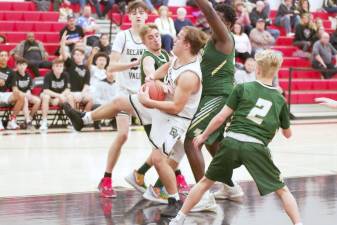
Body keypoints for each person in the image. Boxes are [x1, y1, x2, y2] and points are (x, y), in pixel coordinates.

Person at [63, 26, 208, 217]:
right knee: (119, 102)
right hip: (161, 106)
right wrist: (153, 77)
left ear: (187, 45)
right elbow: (167, 66)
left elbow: (177, 108)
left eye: (179, 37)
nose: (173, 39)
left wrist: (149, 101)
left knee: (158, 159)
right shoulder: (177, 57)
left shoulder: (190, 75)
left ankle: (173, 201)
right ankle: (84, 119)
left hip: (176, 119)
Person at [169, 49, 303, 225]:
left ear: (258, 69)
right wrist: (280, 126)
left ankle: (178, 219)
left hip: (232, 141)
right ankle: (298, 223)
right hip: (255, 146)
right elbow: (287, 134)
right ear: (276, 71)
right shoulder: (279, 99)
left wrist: (203, 136)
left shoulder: (242, 88)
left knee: (204, 183)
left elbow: (220, 118)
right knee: (283, 191)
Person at [184, 0, 244, 210]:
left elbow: (208, 10)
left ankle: (203, 197)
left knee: (192, 139)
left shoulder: (224, 38)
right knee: (212, 142)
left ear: (226, 23)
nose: (212, 21)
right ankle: (230, 186)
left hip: (219, 96)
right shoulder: (213, 40)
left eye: (217, 18)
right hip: (209, 95)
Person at [125, 24, 189, 202]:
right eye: (150, 37)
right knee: (168, 151)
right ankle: (159, 188)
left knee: (169, 150)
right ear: (144, 42)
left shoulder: (166, 55)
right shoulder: (147, 57)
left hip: (160, 110)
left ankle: (140, 175)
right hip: (151, 109)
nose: (155, 39)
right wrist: (158, 82)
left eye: (157, 35)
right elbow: (149, 73)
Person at [60, 31, 93, 112]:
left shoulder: (86, 68)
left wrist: (82, 94)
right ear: (73, 56)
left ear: (83, 56)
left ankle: (84, 117)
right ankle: (74, 118)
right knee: (71, 98)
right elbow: (63, 53)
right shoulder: (70, 63)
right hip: (69, 92)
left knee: (91, 99)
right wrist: (63, 41)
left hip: (80, 93)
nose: (78, 56)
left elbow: (86, 84)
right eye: (76, 54)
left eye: (79, 55)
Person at [39, 58, 73, 131]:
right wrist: (59, 96)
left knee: (70, 96)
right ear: (53, 67)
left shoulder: (66, 75)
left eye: (61, 66)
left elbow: (68, 89)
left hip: (60, 97)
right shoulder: (48, 75)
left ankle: (72, 121)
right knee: (45, 97)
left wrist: (60, 97)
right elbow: (46, 90)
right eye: (57, 66)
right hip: (50, 96)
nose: (59, 68)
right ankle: (44, 122)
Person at [12, 58, 41, 129]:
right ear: (16, 66)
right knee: (24, 99)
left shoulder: (28, 75)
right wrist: (25, 94)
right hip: (17, 97)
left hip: (26, 94)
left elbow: (30, 87)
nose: (22, 66)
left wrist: (28, 91)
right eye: (20, 65)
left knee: (38, 101)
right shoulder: (14, 75)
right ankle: (28, 122)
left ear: (26, 66)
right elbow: (15, 89)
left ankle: (28, 119)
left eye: (24, 65)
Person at [0, 50, 24, 130]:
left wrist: (16, 91)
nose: (3, 57)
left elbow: (14, 87)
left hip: (4, 94)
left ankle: (12, 120)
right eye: (1, 55)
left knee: (21, 96)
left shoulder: (11, 72)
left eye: (5, 55)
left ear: (8, 58)